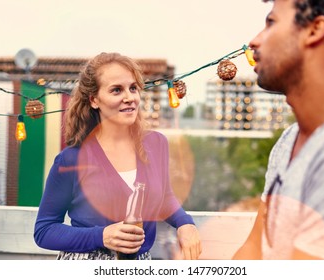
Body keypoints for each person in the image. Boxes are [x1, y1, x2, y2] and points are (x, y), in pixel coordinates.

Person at [34, 52, 202, 260]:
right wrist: (101, 236)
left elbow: (164, 197)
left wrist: (185, 223)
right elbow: (44, 231)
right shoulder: (71, 159)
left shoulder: (156, 144)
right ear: (94, 100)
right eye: (116, 90)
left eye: (133, 88)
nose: (129, 97)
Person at [233, 0, 324, 260]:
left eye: (271, 22)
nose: (254, 41)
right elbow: (255, 248)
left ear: (315, 30)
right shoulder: (289, 140)